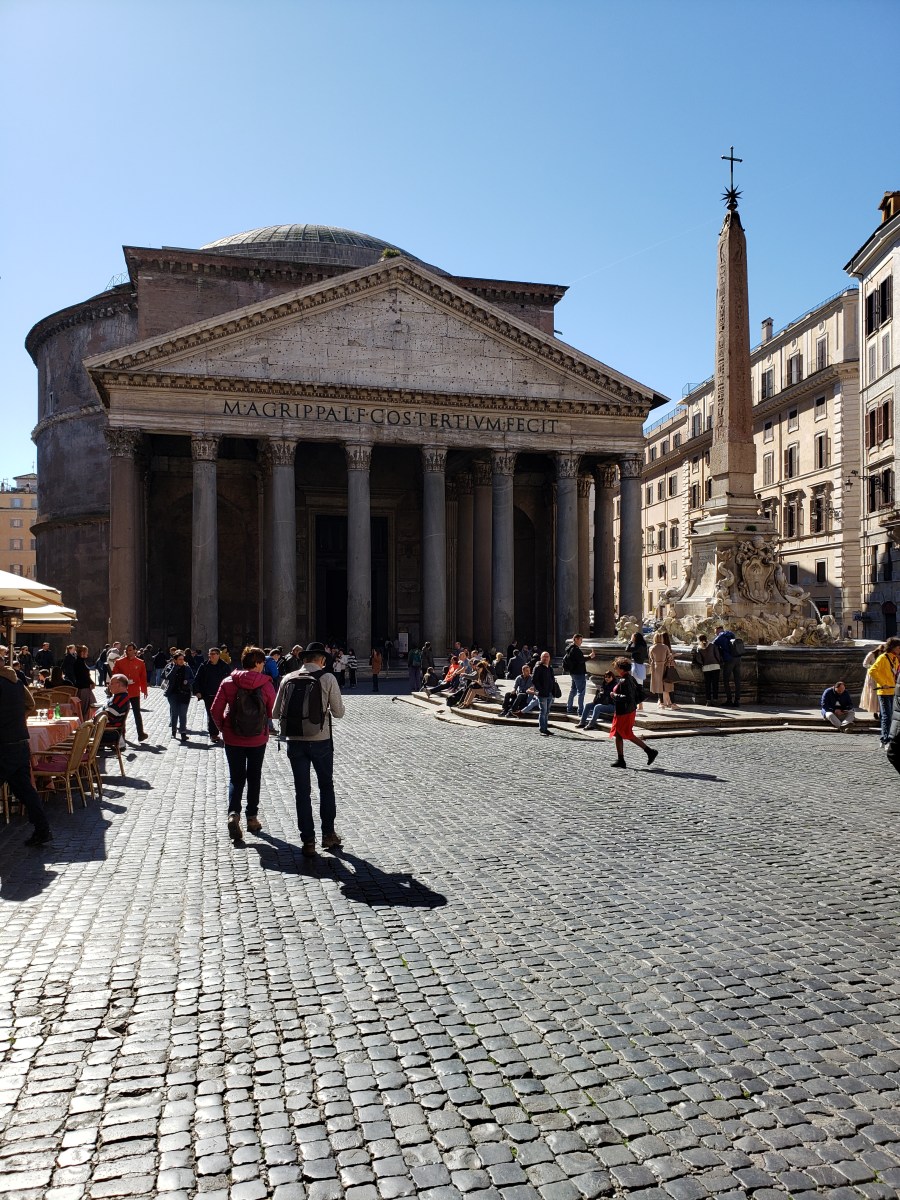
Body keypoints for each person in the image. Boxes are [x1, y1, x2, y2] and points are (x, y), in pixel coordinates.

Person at [274, 640, 345, 858]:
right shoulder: (327, 677)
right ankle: (328, 834)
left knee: (302, 791)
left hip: (295, 740)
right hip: (320, 739)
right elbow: (339, 713)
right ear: (321, 659)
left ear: (303, 659)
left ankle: (308, 841)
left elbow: (276, 712)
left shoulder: (288, 678)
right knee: (326, 786)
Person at [211, 645, 276, 842]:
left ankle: (233, 814)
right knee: (254, 777)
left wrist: (224, 728)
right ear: (256, 663)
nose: (264, 665)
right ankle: (252, 818)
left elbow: (215, 710)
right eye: (262, 662)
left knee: (236, 778)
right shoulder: (265, 684)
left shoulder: (228, 681)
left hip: (233, 737)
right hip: (257, 738)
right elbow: (273, 710)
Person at [0, 656, 53, 847]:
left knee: (25, 789)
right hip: (20, 741)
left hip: (3, 744)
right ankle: (42, 829)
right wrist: (18, 719)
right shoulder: (16, 681)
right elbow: (30, 703)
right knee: (25, 790)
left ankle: (42, 829)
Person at [609, 657, 658, 770]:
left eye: (616, 666)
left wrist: (614, 695)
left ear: (621, 668)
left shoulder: (625, 681)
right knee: (619, 734)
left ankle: (650, 751)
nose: (615, 668)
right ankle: (621, 760)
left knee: (626, 733)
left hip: (625, 711)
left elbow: (627, 697)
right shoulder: (629, 678)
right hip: (626, 710)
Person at [866, 636, 900, 747]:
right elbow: (872, 670)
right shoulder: (883, 658)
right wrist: (883, 683)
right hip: (884, 692)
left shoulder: (895, 659)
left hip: (893, 691)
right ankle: (885, 740)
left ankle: (885, 738)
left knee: (892, 717)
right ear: (893, 647)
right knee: (887, 716)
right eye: (899, 647)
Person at [193, 647, 232, 745]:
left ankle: (223, 731)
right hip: (208, 694)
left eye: (214, 654)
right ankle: (213, 734)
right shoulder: (204, 666)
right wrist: (197, 691)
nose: (211, 656)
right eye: (210, 654)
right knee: (211, 714)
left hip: (221, 695)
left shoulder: (225, 666)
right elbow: (197, 679)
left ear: (219, 655)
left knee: (222, 713)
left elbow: (230, 679)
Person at [117, 642, 149, 741]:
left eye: (130, 650)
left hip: (134, 691)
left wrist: (144, 689)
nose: (128, 652)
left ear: (135, 651)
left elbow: (143, 677)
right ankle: (122, 734)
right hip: (123, 691)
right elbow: (115, 675)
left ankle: (141, 734)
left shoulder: (140, 662)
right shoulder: (119, 662)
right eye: (127, 650)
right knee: (122, 714)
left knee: (137, 713)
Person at [162, 650, 194, 741]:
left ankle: (183, 732)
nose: (181, 661)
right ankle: (173, 731)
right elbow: (167, 676)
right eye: (179, 659)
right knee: (174, 713)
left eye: (182, 659)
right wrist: (174, 668)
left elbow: (192, 678)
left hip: (184, 693)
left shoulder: (187, 668)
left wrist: (188, 682)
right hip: (172, 694)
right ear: (175, 660)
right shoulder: (169, 666)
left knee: (183, 714)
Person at [97, 674, 132, 753]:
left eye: (111, 683)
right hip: (106, 730)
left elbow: (106, 717)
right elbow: (104, 713)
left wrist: (95, 717)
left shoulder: (120, 699)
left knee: (80, 735)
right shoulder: (117, 697)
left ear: (118, 684)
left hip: (110, 733)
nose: (109, 686)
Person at [531, 650, 559, 737]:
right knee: (543, 711)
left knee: (547, 712)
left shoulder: (549, 668)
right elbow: (534, 680)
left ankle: (545, 728)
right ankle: (542, 728)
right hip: (542, 693)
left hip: (550, 693)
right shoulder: (538, 667)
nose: (546, 658)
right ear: (541, 658)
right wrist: (541, 690)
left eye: (547, 657)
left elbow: (552, 679)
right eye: (544, 657)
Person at [713, 625, 742, 706]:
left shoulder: (720, 636)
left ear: (718, 631)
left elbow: (712, 644)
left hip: (729, 660)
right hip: (738, 659)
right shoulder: (731, 634)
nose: (715, 634)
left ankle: (729, 699)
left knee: (726, 680)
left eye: (716, 632)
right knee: (737, 681)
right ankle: (737, 700)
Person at [563, 633, 591, 717]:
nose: (581, 642)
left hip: (573, 673)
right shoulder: (575, 649)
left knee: (573, 691)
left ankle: (569, 708)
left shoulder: (569, 648)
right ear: (575, 639)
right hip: (579, 673)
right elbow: (580, 660)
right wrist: (590, 656)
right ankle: (581, 711)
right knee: (581, 692)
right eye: (580, 640)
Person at [649, 631, 678, 709]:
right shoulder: (665, 647)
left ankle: (661, 703)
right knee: (669, 685)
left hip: (656, 667)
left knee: (659, 686)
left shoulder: (651, 647)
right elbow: (669, 658)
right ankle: (673, 704)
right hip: (665, 667)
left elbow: (651, 659)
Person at [692, 634, 723, 705]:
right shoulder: (712, 645)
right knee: (715, 684)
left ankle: (708, 700)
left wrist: (703, 663)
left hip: (706, 667)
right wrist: (717, 662)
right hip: (715, 666)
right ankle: (715, 700)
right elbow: (717, 655)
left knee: (708, 684)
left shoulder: (699, 648)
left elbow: (699, 659)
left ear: (699, 640)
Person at [72, 644, 97, 721]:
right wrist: (91, 682)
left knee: (90, 706)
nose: (87, 654)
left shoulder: (81, 662)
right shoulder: (79, 663)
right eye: (86, 652)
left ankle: (86, 722)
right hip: (83, 688)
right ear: (82, 653)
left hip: (85, 687)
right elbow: (84, 676)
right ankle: (84, 723)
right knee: (86, 707)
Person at [860, 643, 882, 722]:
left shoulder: (884, 656)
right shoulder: (871, 654)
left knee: (880, 693)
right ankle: (875, 711)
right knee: (873, 694)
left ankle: (880, 711)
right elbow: (865, 664)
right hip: (872, 676)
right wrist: (872, 667)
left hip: (881, 676)